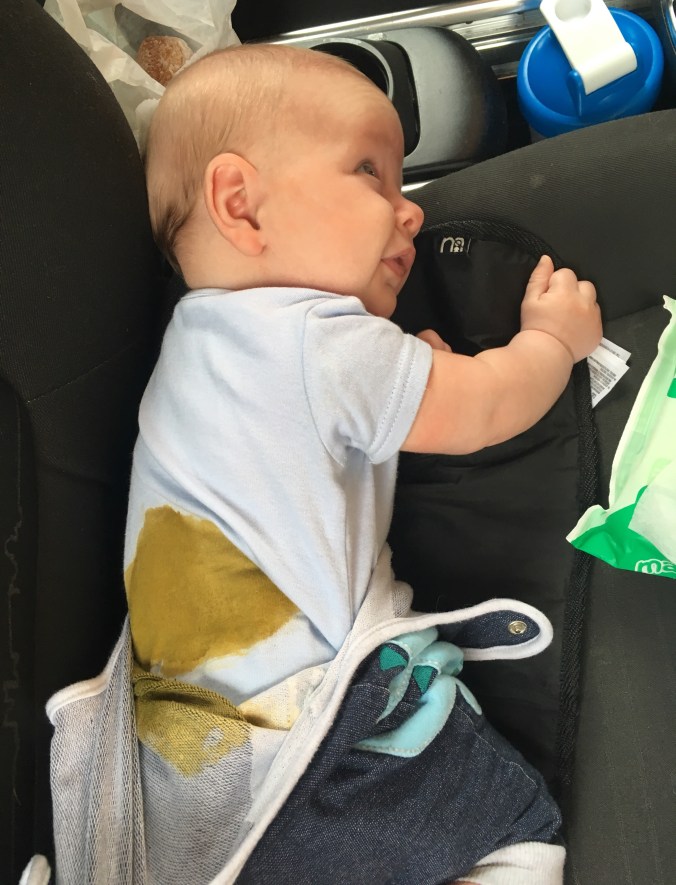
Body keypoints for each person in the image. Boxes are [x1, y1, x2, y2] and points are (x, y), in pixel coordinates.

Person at [124, 43, 602, 884]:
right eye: (371, 173)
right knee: (518, 838)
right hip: (320, 750)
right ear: (240, 204)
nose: (410, 210)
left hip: (204, 782)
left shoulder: (192, 351)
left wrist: (405, 377)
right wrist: (553, 341)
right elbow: (483, 408)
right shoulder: (319, 342)